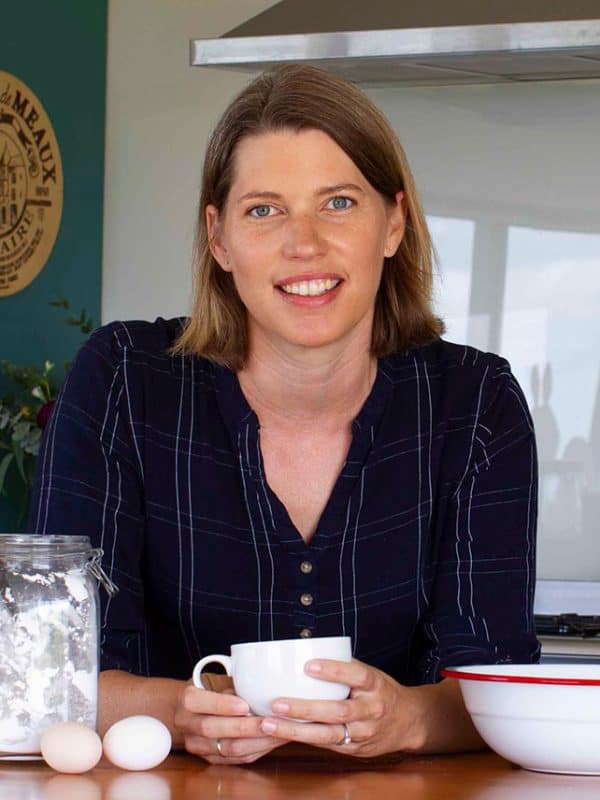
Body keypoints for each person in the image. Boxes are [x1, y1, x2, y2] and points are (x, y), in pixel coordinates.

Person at [29, 64, 540, 764]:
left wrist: (410, 718)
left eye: (337, 203)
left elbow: (497, 682)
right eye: (264, 210)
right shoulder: (123, 380)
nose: (304, 243)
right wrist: (179, 714)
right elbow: (58, 667)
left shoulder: (476, 403)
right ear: (219, 239)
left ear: (394, 223)